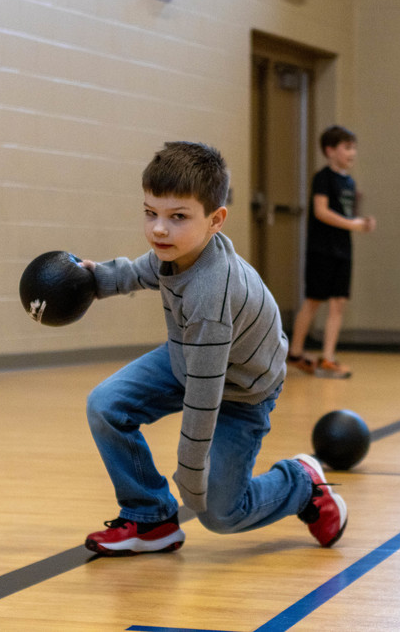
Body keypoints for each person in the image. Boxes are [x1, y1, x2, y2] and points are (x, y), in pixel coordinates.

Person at [80, 141, 347, 556]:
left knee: (220, 513)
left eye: (178, 217)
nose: (159, 229)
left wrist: (191, 470)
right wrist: (91, 280)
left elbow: (204, 400)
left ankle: (300, 485)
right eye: (151, 213)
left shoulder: (212, 294)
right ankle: (150, 518)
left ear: (215, 220)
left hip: (241, 392)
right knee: (106, 405)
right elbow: (137, 273)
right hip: (190, 359)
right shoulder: (175, 252)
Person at [287, 126, 376, 379]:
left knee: (339, 303)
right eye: (347, 147)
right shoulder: (322, 178)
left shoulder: (349, 181)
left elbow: (345, 216)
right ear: (330, 150)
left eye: (353, 147)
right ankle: (295, 353)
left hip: (343, 250)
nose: (352, 153)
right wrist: (352, 225)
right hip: (321, 250)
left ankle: (328, 358)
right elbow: (321, 212)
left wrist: (362, 222)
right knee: (314, 300)